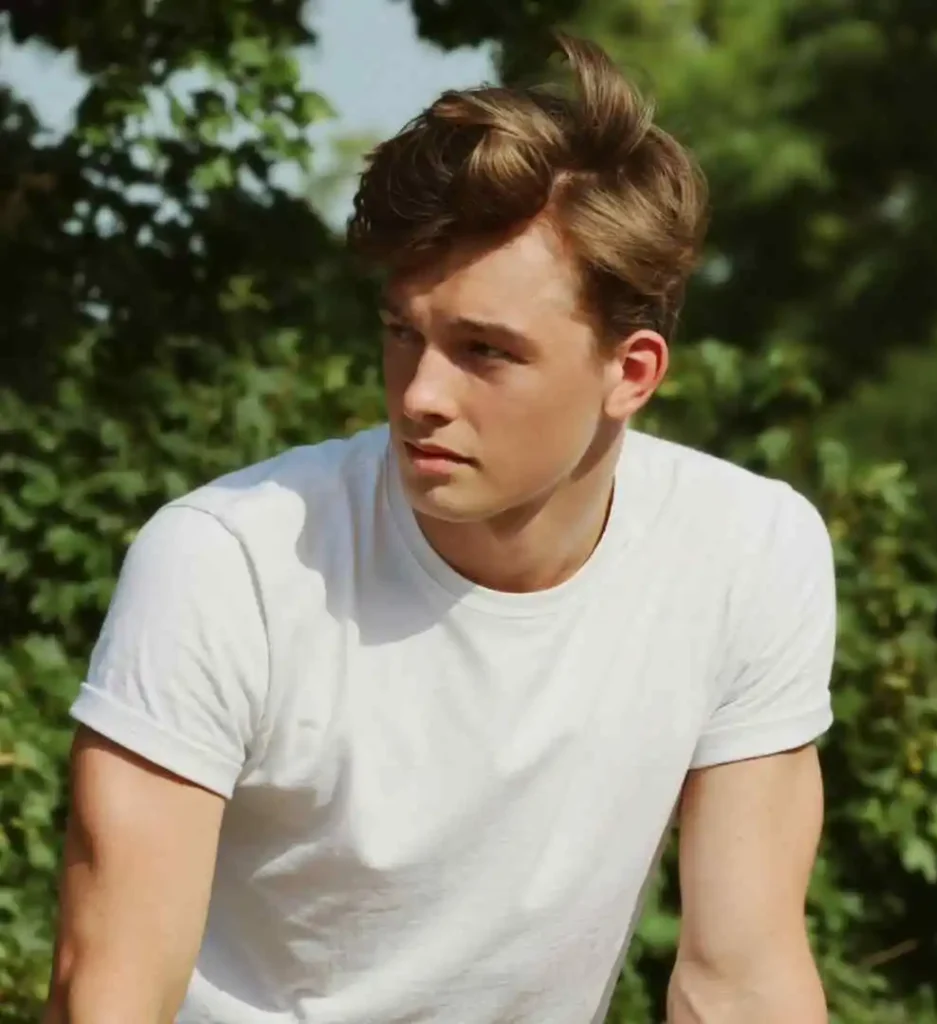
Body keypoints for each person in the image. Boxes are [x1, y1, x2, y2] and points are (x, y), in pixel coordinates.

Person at [45, 33, 836, 1024]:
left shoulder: (748, 549)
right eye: (403, 334)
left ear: (629, 372)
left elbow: (742, 981)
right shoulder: (227, 561)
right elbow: (106, 987)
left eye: (484, 352)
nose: (419, 394)